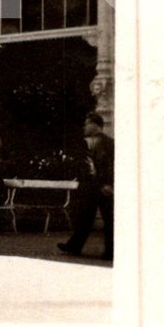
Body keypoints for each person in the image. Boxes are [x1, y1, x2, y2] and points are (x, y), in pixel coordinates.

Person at [58, 111, 114, 261]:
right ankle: (109, 251)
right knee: (105, 219)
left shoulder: (91, 142)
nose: (84, 127)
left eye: (86, 124)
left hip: (94, 186)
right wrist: (108, 184)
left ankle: (76, 246)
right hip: (104, 186)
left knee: (88, 217)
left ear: (95, 125)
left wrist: (101, 184)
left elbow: (92, 166)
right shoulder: (109, 142)